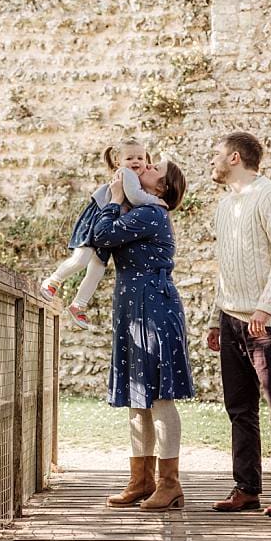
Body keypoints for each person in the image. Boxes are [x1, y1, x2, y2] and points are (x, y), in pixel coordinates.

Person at [206, 131, 271, 517]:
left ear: (235, 157)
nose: (211, 161)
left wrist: (264, 309)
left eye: (216, 154)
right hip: (232, 320)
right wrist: (218, 317)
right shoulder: (225, 206)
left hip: (268, 323)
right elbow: (226, 268)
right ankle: (246, 488)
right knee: (239, 408)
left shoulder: (269, 195)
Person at [88, 160, 193, 511]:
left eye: (151, 169)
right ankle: (141, 479)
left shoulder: (150, 214)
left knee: (160, 398)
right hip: (134, 308)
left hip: (154, 308)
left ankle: (169, 483)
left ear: (160, 188)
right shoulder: (143, 211)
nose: (142, 168)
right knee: (137, 400)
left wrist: (116, 198)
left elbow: (102, 234)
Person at [41, 138, 168, 329]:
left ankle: (79, 305)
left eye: (140, 158)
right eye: (130, 158)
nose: (136, 162)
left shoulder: (136, 177)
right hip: (97, 218)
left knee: (97, 269)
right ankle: (52, 282)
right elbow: (134, 197)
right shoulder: (126, 174)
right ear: (118, 162)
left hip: (108, 221)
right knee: (81, 258)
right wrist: (155, 200)